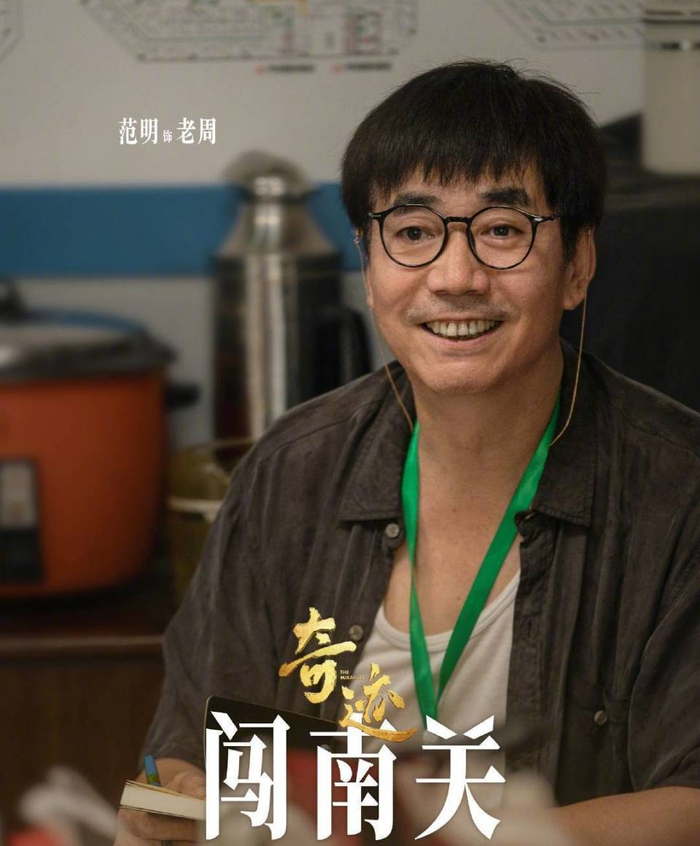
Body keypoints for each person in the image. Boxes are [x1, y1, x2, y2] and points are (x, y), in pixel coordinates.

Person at [117, 61, 700, 844]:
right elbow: (187, 749)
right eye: (414, 233)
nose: (455, 278)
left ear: (578, 265)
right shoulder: (293, 471)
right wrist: (181, 798)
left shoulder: (677, 491)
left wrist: (435, 832)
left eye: (502, 230)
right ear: (369, 266)